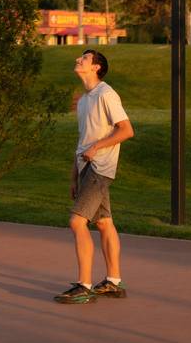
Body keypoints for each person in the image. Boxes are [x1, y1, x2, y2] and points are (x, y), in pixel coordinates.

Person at [54, 48, 134, 304]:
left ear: (96, 67)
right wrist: (74, 176)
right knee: (104, 223)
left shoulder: (106, 94)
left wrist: (97, 147)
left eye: (85, 58)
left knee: (77, 222)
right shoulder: (85, 99)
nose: (78, 59)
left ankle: (84, 286)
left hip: (100, 168)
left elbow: (126, 130)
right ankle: (113, 282)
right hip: (86, 168)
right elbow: (83, 140)